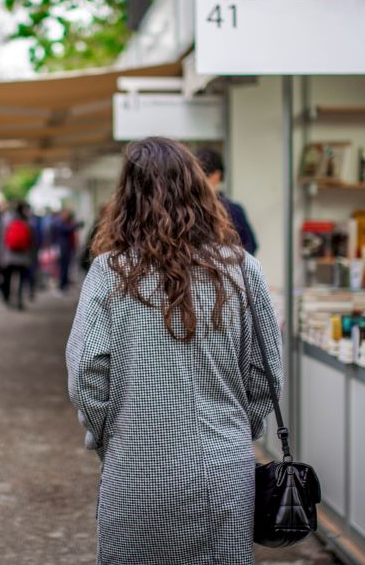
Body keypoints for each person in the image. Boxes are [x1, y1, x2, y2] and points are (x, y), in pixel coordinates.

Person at [66, 137, 283, 564]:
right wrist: (240, 429)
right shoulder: (241, 268)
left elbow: (87, 374)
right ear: (201, 191)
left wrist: (112, 433)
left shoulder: (109, 273)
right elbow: (266, 376)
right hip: (224, 465)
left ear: (126, 198)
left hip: (134, 465)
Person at [195, 147, 258, 255]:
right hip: (230, 268)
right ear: (217, 175)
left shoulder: (185, 208)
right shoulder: (233, 210)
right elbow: (250, 247)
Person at [0, 202, 37, 311]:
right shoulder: (28, 222)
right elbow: (32, 242)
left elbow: (1, 239)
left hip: (9, 255)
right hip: (24, 256)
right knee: (21, 279)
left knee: (8, 278)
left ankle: (8, 299)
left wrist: (0, 255)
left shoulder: (6, 220)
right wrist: (33, 257)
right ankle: (19, 300)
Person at [51, 209, 83, 295]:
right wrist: (76, 224)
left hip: (67, 248)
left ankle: (64, 285)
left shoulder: (65, 223)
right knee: (63, 268)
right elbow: (67, 229)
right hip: (63, 249)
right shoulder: (59, 223)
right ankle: (61, 286)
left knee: (65, 267)